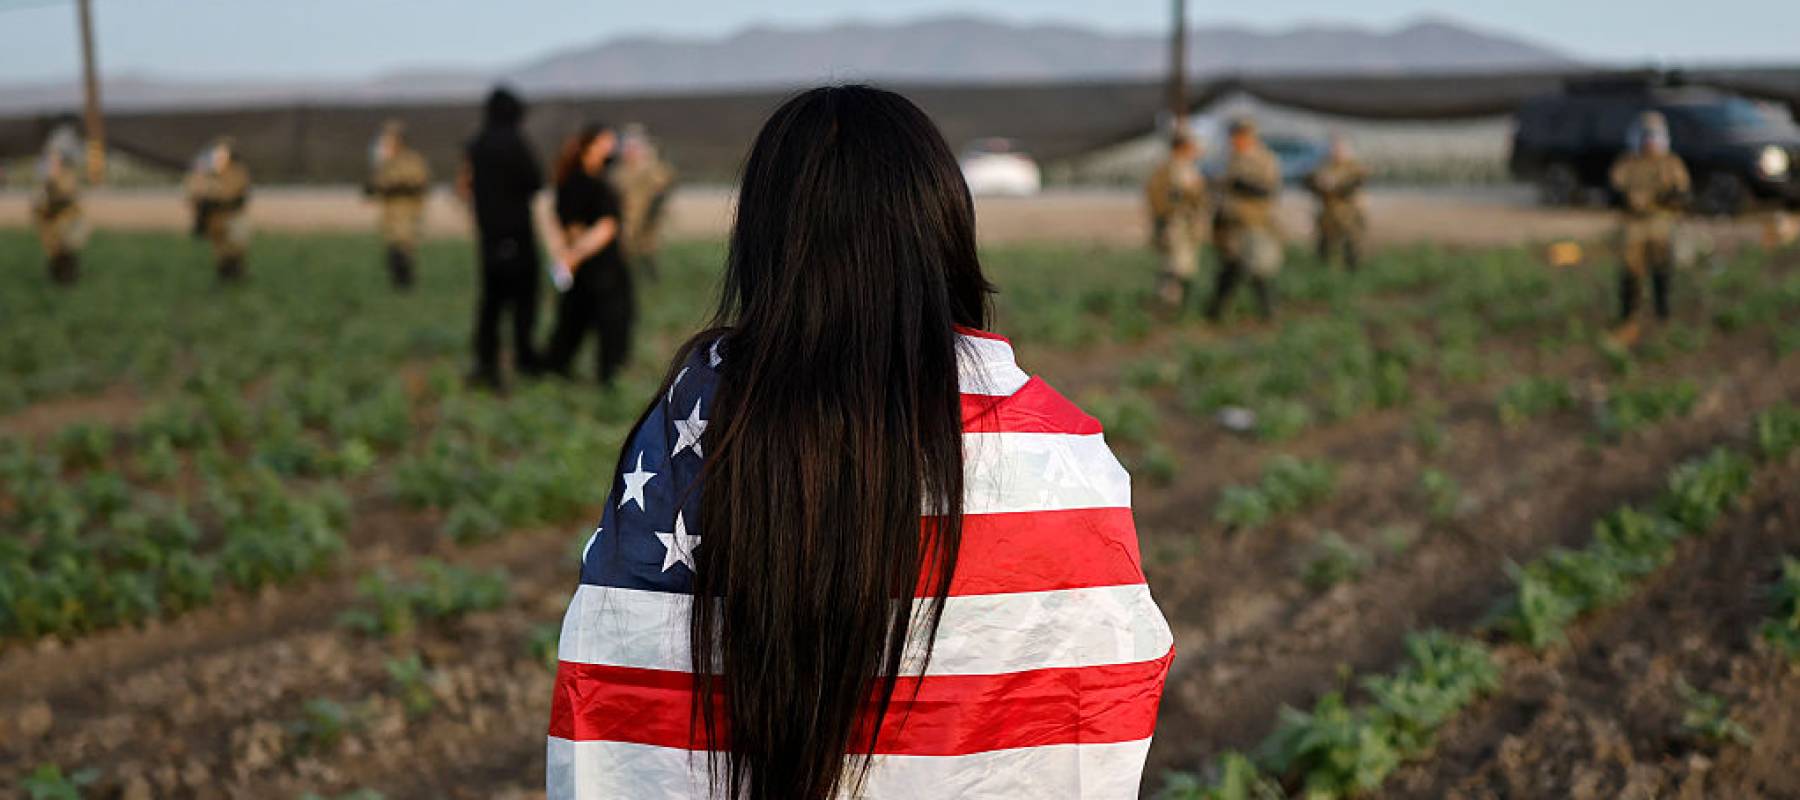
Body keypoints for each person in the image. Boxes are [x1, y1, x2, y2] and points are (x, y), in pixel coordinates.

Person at [546, 86, 1172, 800]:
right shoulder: (1062, 455)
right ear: (943, 230)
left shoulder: (682, 445)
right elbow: (1100, 702)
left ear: (760, 243)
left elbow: (616, 718)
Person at [460, 87, 544, 390]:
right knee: (523, 304)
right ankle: (524, 360)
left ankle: (486, 364)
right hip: (518, 237)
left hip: (489, 238)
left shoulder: (477, 144)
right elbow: (535, 181)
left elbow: (467, 185)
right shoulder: (514, 143)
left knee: (491, 306)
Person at [542, 125, 634, 386]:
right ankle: (607, 375)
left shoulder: (580, 180)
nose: (611, 147)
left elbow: (570, 225)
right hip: (600, 267)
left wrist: (571, 255)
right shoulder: (585, 182)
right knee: (608, 320)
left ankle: (557, 368)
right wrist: (575, 255)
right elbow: (604, 227)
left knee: (575, 319)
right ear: (589, 146)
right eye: (606, 142)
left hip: (590, 265)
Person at [1608, 110, 1690, 345]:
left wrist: (1664, 200)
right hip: (1634, 224)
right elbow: (1615, 189)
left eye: (1654, 136)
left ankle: (1662, 313)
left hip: (1660, 223)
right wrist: (1629, 200)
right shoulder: (1628, 163)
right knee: (1630, 271)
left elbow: (1681, 192)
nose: (1650, 141)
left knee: (1662, 268)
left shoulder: (1671, 163)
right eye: (1646, 136)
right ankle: (1628, 317)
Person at [1205, 117, 1283, 322]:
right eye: (1233, 136)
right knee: (1230, 268)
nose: (1234, 140)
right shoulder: (1231, 159)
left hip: (1253, 222)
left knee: (1259, 269)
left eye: (1238, 135)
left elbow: (1267, 190)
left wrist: (1240, 185)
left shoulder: (1263, 159)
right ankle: (1217, 312)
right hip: (1231, 225)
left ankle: (1269, 312)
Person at [365, 119, 432, 289]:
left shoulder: (412, 160)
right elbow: (372, 187)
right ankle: (399, 288)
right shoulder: (384, 163)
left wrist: (394, 184)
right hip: (390, 217)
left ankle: (406, 287)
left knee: (404, 253)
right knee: (393, 255)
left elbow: (419, 182)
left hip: (408, 215)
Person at [1144, 130, 1208, 309]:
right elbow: (1156, 198)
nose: (1195, 151)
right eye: (1191, 147)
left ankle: (1180, 305)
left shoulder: (1190, 170)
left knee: (1185, 266)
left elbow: (1199, 198)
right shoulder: (1166, 170)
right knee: (1175, 265)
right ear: (1181, 148)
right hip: (1174, 225)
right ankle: (1169, 304)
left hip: (1189, 225)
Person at [612, 124, 677, 281]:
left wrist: (651, 160)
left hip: (648, 218)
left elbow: (665, 181)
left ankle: (653, 281)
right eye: (628, 147)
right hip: (627, 218)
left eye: (634, 147)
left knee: (648, 251)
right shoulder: (619, 171)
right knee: (626, 253)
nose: (630, 151)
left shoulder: (650, 167)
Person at [185, 138, 252, 282]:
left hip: (233, 214)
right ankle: (225, 274)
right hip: (216, 218)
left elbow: (235, 193)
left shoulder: (237, 171)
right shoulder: (203, 172)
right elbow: (194, 193)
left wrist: (216, 196)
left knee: (237, 246)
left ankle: (236, 271)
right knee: (221, 248)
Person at [1306, 134, 1369, 270]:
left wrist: (1334, 183)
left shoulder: (1355, 168)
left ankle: (1353, 275)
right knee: (1325, 250)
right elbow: (1309, 181)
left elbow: (1355, 182)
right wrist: (1318, 182)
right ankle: (1326, 275)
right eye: (1334, 148)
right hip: (1328, 216)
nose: (1337, 151)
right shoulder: (1324, 166)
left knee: (1353, 249)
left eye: (1340, 148)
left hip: (1350, 216)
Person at [31, 145, 86, 286]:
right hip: (59, 207)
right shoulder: (73, 239)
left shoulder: (54, 243)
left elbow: (40, 211)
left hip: (57, 207)